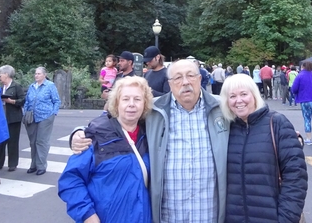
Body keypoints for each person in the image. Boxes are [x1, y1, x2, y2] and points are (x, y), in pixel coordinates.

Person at [71, 59, 229, 223]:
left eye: (190, 76)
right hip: (168, 216)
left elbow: (249, 117)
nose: (185, 82)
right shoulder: (156, 111)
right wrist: (81, 132)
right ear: (170, 83)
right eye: (178, 78)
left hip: (208, 214)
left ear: (199, 78)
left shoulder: (222, 108)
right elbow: (113, 120)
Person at [58, 76, 154, 223]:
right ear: (116, 103)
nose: (131, 104)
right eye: (126, 99)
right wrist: (87, 215)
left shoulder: (151, 136)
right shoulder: (96, 136)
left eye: (137, 99)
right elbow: (71, 180)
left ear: (145, 104)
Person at [220, 74, 307, 222]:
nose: (238, 100)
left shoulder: (277, 123)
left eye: (244, 94)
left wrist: (286, 218)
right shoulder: (226, 130)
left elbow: (296, 176)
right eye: (232, 96)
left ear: (254, 95)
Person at [23, 66, 61, 176]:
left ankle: (41, 166)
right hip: (32, 117)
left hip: (45, 116)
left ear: (44, 75)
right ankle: (33, 165)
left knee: (41, 141)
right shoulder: (32, 86)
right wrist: (25, 112)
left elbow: (56, 101)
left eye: (39, 74)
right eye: (35, 73)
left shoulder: (50, 86)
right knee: (33, 141)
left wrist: (53, 113)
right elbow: (27, 101)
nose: (36, 75)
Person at [0, 65, 25, 172]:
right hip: (2, 118)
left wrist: (12, 101)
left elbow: (23, 100)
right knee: (0, 141)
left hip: (14, 118)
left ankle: (12, 164)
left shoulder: (16, 86)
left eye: (1, 74)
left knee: (13, 141)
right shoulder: (0, 88)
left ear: (6, 74)